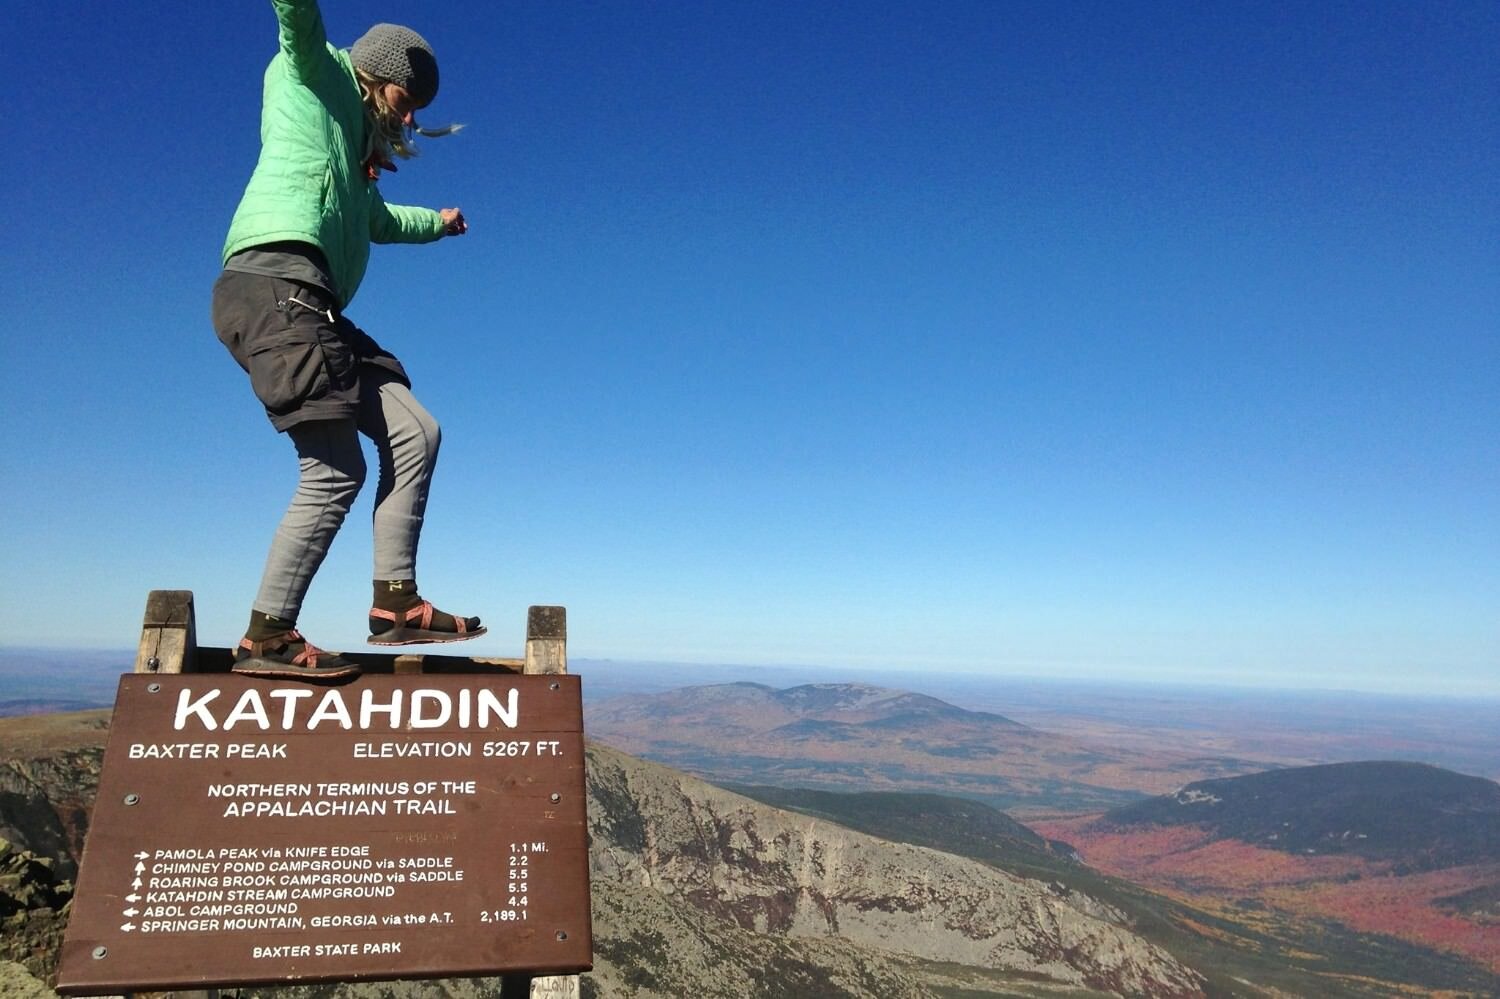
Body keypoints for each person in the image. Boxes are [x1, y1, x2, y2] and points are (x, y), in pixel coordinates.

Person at [211, 0, 482, 679]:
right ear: (373, 75)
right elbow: (296, 21)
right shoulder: (318, 78)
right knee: (335, 471)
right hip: (274, 285)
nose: (411, 116)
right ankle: (268, 633)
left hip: (315, 304)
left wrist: (439, 222)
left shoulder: (354, 162)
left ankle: (395, 600)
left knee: (416, 431)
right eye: (405, 96)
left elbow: (382, 221)